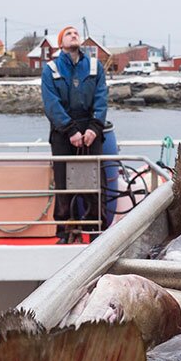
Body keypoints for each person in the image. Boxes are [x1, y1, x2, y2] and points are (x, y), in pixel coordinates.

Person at [41, 26, 108, 243]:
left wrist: (94, 128)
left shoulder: (94, 66)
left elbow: (101, 97)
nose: (74, 35)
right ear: (61, 43)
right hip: (63, 133)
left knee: (94, 182)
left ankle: (96, 228)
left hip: (91, 131)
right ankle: (65, 231)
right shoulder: (50, 69)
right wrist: (70, 130)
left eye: (76, 33)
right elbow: (51, 104)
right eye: (68, 34)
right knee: (63, 183)